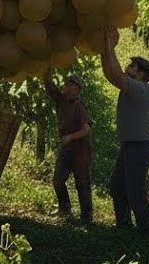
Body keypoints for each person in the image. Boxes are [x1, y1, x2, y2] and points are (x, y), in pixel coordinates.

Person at [100, 25, 149, 235]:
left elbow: (114, 73)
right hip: (130, 146)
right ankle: (124, 226)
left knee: (134, 190)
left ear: (141, 74)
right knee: (117, 187)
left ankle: (145, 232)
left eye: (132, 66)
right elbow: (110, 74)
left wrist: (109, 46)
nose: (127, 67)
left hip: (139, 148)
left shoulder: (141, 89)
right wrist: (104, 49)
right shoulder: (132, 86)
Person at [42, 71, 92, 223]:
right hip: (67, 149)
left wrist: (70, 137)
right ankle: (65, 208)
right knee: (58, 180)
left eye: (71, 87)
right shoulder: (61, 100)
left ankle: (86, 216)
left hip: (80, 150)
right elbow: (50, 87)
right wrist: (45, 74)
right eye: (67, 85)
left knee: (82, 183)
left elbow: (86, 130)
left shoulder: (79, 107)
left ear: (76, 90)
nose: (67, 88)